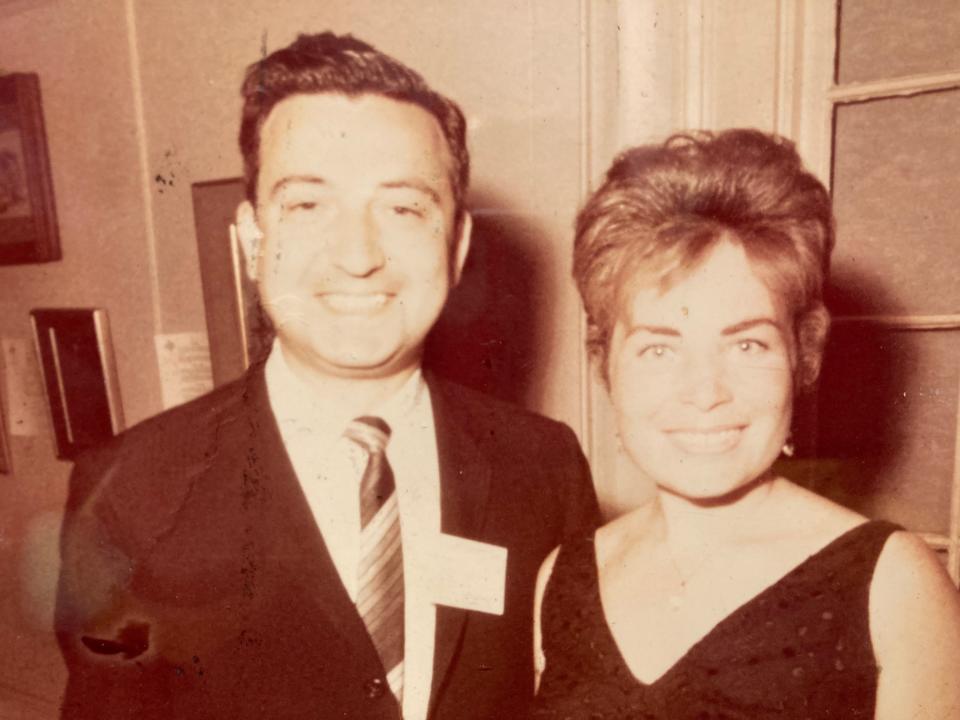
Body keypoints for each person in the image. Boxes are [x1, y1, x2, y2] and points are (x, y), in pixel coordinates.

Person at [55, 32, 599, 720]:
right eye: (308, 205)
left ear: (456, 245)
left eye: (402, 208)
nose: (358, 255)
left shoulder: (543, 467)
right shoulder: (130, 491)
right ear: (254, 242)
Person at [530, 129, 960, 719]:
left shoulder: (892, 583)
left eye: (748, 346)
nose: (705, 392)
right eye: (659, 349)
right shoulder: (562, 579)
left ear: (801, 358)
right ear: (606, 366)